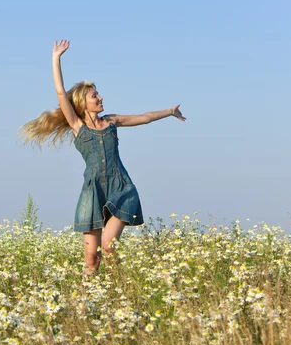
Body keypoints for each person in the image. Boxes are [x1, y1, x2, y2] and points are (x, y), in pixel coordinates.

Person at [20, 40, 186, 275]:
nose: (100, 98)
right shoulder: (78, 126)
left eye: (98, 94)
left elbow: (145, 117)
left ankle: (119, 289)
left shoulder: (111, 121)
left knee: (108, 247)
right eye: (94, 95)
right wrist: (56, 58)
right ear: (82, 102)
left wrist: (170, 112)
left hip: (121, 188)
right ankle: (89, 301)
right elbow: (60, 93)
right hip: (93, 191)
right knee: (91, 259)